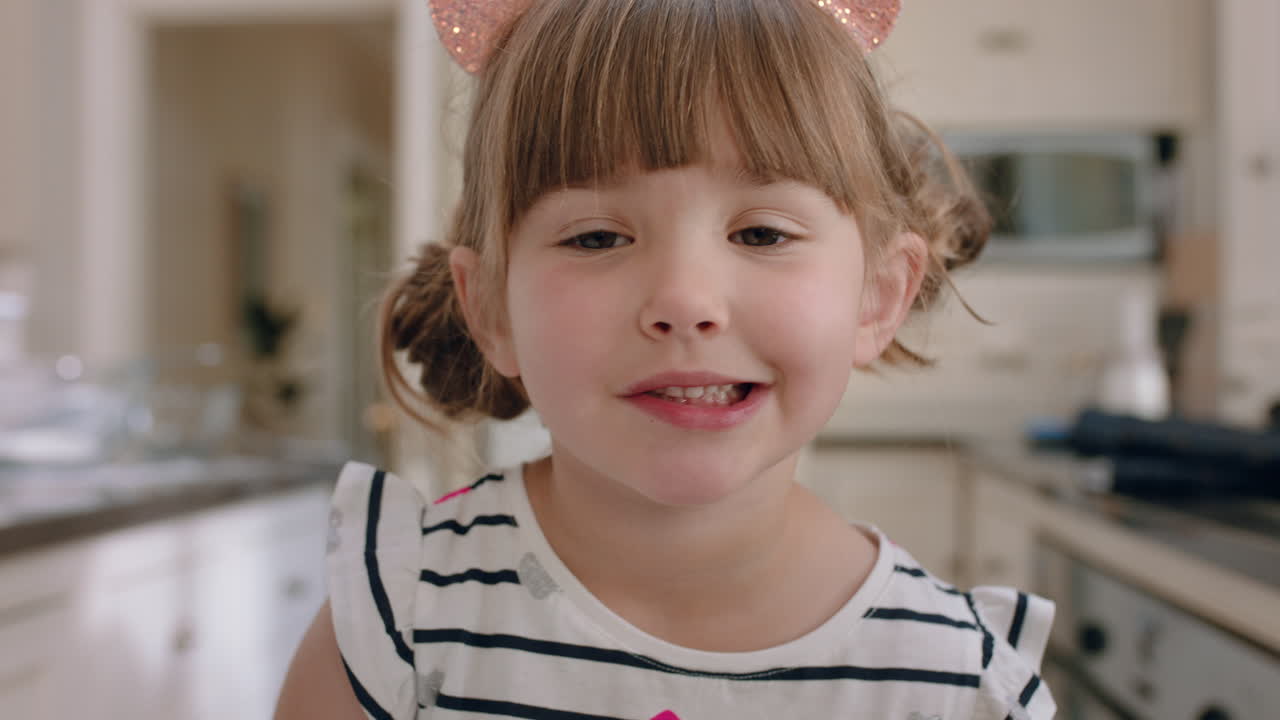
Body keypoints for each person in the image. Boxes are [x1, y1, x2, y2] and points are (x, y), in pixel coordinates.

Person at [276, 0, 1056, 718]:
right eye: (596, 238)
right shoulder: (394, 623)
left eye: (762, 234)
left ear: (878, 296)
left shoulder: (962, 682)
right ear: (489, 308)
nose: (685, 300)